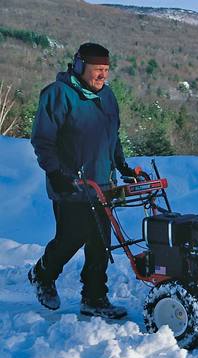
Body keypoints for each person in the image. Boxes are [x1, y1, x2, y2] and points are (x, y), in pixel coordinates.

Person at [29, 42, 136, 319]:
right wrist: (55, 173)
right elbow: (43, 140)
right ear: (79, 67)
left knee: (100, 242)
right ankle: (42, 273)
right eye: (96, 69)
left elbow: (112, 137)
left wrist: (122, 165)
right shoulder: (59, 95)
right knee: (71, 236)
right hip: (70, 183)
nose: (102, 75)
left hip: (102, 184)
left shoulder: (108, 97)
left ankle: (94, 298)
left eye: (106, 69)